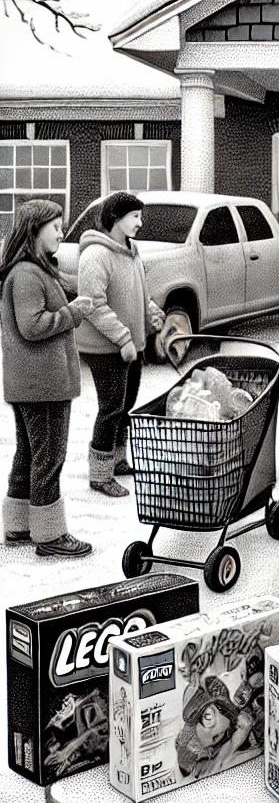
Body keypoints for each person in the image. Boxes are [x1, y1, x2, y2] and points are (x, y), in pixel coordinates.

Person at [1, 200, 95, 556]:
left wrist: (76, 295)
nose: (60, 232)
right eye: (55, 226)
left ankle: (19, 526)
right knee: (49, 458)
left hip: (32, 383)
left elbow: (59, 290)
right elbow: (32, 325)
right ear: (34, 230)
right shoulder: (26, 274)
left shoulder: (34, 270)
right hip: (42, 385)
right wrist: (72, 313)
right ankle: (50, 535)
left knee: (29, 454)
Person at [78, 192, 165, 498]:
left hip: (132, 345)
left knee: (126, 407)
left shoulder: (132, 251)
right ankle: (99, 476)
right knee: (111, 408)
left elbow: (141, 292)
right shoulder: (95, 255)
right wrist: (123, 337)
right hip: (106, 347)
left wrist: (152, 312)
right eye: (135, 217)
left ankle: (116, 460)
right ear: (116, 218)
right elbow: (92, 305)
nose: (140, 223)